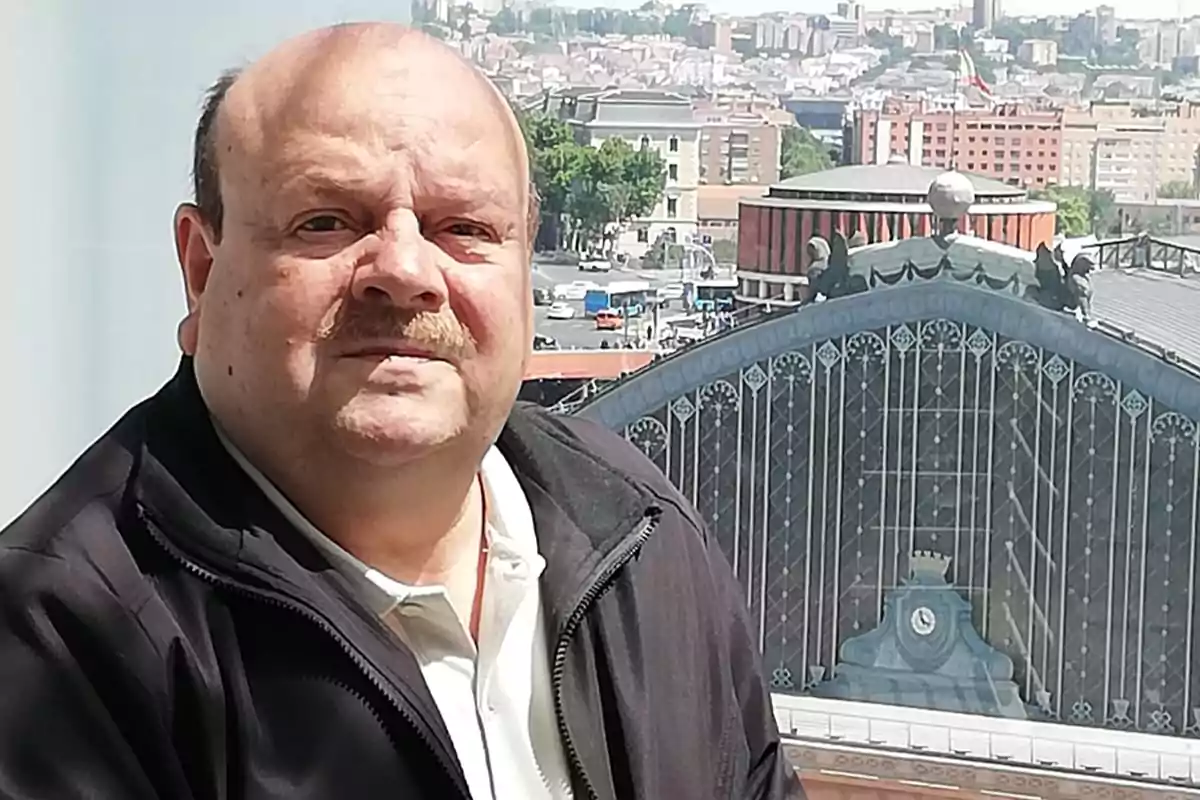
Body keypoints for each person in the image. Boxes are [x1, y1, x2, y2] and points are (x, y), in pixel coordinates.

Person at [0, 23, 800, 800]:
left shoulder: (639, 536)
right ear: (202, 272)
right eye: (326, 222)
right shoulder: (61, 638)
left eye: (466, 228)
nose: (406, 271)